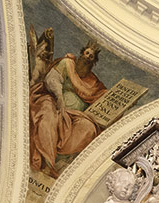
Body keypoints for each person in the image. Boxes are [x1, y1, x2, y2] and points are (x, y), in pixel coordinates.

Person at [29, 42, 109, 178]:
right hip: (54, 101)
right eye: (87, 53)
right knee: (47, 115)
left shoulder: (94, 82)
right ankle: (46, 160)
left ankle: (60, 160)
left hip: (76, 114)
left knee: (89, 127)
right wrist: (59, 97)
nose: (88, 57)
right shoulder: (68, 63)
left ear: (93, 61)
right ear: (82, 53)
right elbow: (52, 79)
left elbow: (105, 97)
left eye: (91, 56)